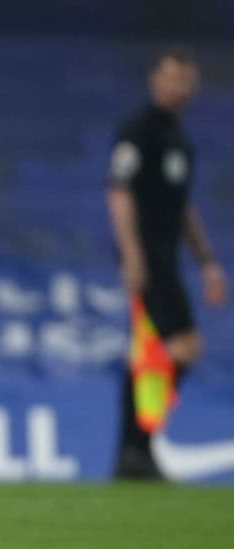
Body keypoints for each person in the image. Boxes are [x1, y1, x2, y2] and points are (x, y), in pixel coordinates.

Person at [106, 47, 228, 479]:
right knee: (176, 347)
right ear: (156, 81)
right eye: (171, 77)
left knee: (162, 351)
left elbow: (182, 208)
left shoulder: (180, 141)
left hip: (167, 256)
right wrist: (132, 255)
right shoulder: (139, 131)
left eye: (186, 79)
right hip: (148, 256)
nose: (178, 86)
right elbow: (119, 194)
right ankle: (134, 448)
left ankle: (136, 450)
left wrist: (208, 261)